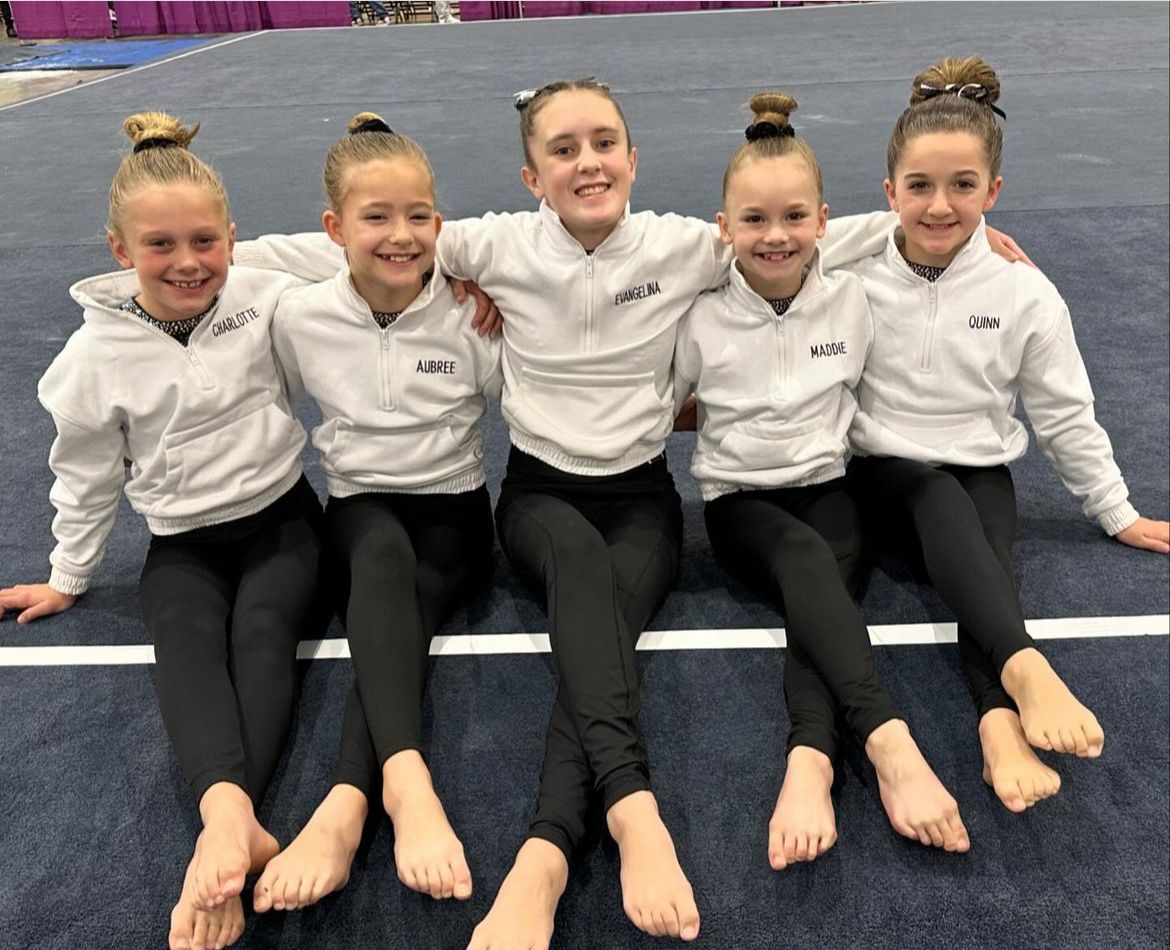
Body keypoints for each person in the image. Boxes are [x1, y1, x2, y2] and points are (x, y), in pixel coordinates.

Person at [0, 112, 322, 950]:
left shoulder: (264, 289)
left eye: (206, 241)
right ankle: (234, 825)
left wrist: (467, 272)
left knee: (261, 634)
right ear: (118, 251)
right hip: (182, 540)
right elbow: (87, 475)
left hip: (284, 522)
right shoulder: (89, 361)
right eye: (160, 246)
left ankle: (215, 840)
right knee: (180, 640)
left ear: (234, 237)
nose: (188, 262)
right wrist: (69, 575)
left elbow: (375, 243)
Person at [829, 56, 1170, 811]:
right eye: (919, 186)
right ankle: (1024, 667)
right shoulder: (846, 264)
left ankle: (997, 724)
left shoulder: (1024, 292)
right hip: (881, 473)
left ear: (994, 191)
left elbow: (1062, 412)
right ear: (890, 194)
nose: (940, 205)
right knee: (934, 492)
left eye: (964, 186)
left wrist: (1117, 511)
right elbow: (762, 239)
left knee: (986, 537)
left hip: (980, 470)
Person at [674, 92, 969, 866]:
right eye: (755, 221)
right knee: (808, 568)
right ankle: (890, 741)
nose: (776, 237)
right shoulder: (697, 315)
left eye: (795, 218)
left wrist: (984, 240)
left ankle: (810, 759)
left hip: (828, 488)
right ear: (723, 227)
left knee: (824, 595)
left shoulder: (852, 296)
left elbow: (901, 231)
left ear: (823, 221)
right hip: (741, 504)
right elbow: (663, 408)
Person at [249, 112, 501, 913]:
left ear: (441, 219)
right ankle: (402, 782)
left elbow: (532, 403)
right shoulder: (299, 315)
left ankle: (347, 801)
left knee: (399, 606)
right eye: (377, 218)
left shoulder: (473, 312)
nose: (402, 236)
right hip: (359, 512)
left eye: (419, 216)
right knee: (384, 569)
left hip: (457, 515)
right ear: (334, 228)